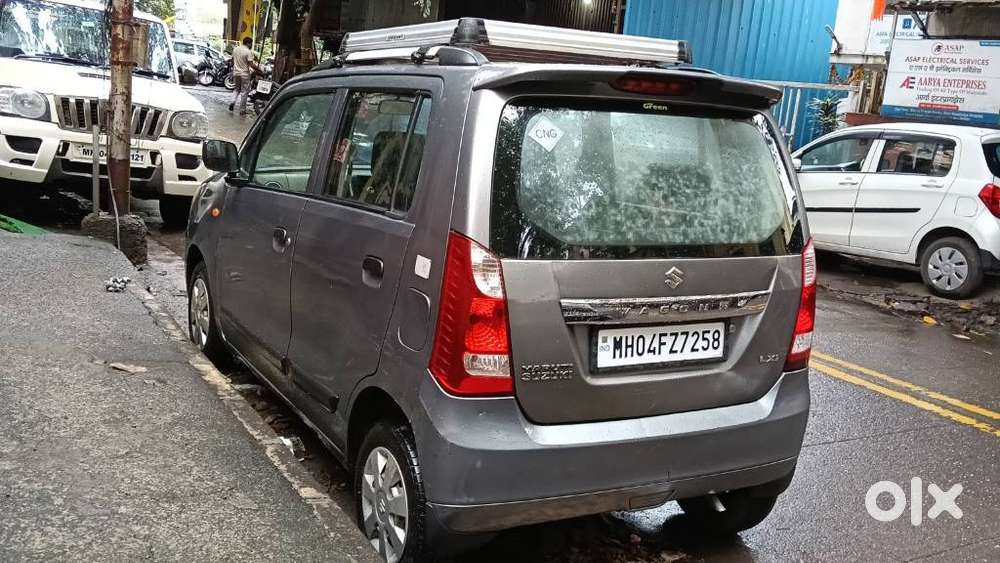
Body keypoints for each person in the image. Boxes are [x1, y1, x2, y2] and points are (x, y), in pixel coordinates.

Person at [229, 37, 260, 115]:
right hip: (245, 74)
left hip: (236, 73)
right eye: (251, 44)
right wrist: (259, 70)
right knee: (244, 92)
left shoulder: (236, 49)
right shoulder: (248, 52)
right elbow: (251, 64)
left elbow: (232, 61)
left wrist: (233, 70)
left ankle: (232, 101)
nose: (251, 45)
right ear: (248, 43)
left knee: (236, 89)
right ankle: (242, 110)